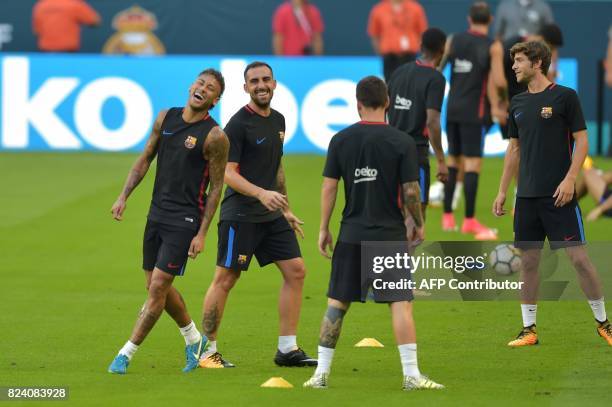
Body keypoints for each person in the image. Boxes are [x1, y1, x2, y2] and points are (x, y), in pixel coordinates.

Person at [303, 76, 444, 390]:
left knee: (337, 304)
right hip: (389, 235)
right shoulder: (402, 142)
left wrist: (324, 228)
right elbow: (410, 190)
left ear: (357, 104)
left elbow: (329, 187)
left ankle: (320, 374)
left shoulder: (340, 140)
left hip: (351, 233)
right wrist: (418, 222)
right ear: (388, 103)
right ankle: (411, 375)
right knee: (400, 304)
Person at [106, 69, 229, 374]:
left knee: (159, 285)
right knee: (154, 286)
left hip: (185, 220)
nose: (203, 89)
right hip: (156, 214)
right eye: (200, 83)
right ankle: (193, 339)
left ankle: (125, 353)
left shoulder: (215, 136)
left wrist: (202, 232)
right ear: (191, 86)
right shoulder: (166, 118)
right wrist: (124, 195)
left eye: (210, 88)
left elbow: (216, 187)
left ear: (215, 100)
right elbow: (146, 157)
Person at [493, 41, 612, 347]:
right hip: (528, 198)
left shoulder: (565, 97)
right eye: (514, 61)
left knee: (580, 260)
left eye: (519, 61)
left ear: (537, 63)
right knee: (530, 263)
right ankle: (529, 330)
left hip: (560, 197)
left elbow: (582, 141)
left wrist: (571, 178)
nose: (514, 67)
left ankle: (603, 323)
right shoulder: (517, 103)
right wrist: (503, 191)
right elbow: (513, 150)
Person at [198, 61, 316, 368]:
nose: (261, 85)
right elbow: (227, 174)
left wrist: (285, 208)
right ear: (246, 88)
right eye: (254, 81)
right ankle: (206, 352)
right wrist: (262, 194)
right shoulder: (237, 125)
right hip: (241, 214)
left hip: (271, 215)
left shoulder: (278, 120)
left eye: (266, 79)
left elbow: (276, 168)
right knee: (226, 278)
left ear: (275, 84)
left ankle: (287, 350)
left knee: (296, 271)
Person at [441, 2, 497, 240]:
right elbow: (497, 82)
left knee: (453, 161)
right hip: (475, 111)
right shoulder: (492, 46)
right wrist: (500, 106)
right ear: (491, 20)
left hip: (452, 109)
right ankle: (469, 220)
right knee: (473, 164)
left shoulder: (453, 40)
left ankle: (447, 217)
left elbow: (439, 67)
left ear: (469, 19)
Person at [387, 27, 449, 218]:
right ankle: (404, 250)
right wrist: (440, 160)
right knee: (415, 221)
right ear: (442, 50)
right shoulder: (435, 79)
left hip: (390, 150)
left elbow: (385, 107)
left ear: (421, 46)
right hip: (415, 154)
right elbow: (432, 121)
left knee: (394, 215)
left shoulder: (399, 72)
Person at [489, 23, 564, 135]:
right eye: (551, 48)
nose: (552, 52)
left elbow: (548, 80)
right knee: (516, 144)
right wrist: (497, 105)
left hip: (529, 103)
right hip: (510, 103)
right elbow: (494, 78)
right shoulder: (510, 47)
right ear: (542, 39)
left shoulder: (541, 54)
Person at [367, 0, 428, 82]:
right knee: (390, 84)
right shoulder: (379, 9)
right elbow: (374, 34)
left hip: (409, 56)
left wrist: (417, 47)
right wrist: (381, 52)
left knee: (409, 84)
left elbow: (422, 32)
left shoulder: (415, 8)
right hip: (389, 57)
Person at [32, 0, 100, 52]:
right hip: (67, 51)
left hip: (46, 51)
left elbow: (36, 31)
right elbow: (95, 21)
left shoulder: (41, 5)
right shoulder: (74, 4)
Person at [576, 157, 612, 222]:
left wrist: (599, 210)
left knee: (587, 173)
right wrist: (596, 174)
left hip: (609, 205)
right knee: (589, 173)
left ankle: (566, 203)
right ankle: (567, 202)